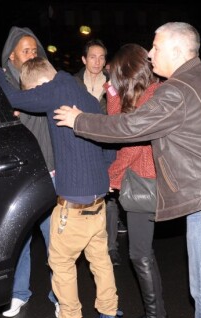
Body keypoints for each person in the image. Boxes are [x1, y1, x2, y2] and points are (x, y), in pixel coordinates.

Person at [54, 22, 201, 318]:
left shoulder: (178, 90)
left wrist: (79, 121)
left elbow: (132, 127)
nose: (150, 54)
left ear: (177, 51)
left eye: (157, 47)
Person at [0, 57, 121, 318]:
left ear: (39, 84)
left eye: (33, 92)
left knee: (60, 263)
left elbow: (12, 97)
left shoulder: (55, 88)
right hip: (99, 200)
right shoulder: (84, 94)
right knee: (100, 261)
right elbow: (107, 143)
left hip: (74, 203)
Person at [104, 43, 167, 318]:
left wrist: (112, 176)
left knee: (139, 254)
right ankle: (154, 315)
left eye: (118, 77)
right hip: (141, 178)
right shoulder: (144, 93)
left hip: (145, 180)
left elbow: (130, 142)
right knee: (144, 254)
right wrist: (114, 95)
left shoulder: (153, 95)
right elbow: (119, 126)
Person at [0, 26, 58, 318]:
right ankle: (19, 293)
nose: (32, 54)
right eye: (26, 50)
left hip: (49, 171)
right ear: (11, 56)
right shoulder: (2, 87)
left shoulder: (48, 82)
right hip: (20, 176)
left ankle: (60, 294)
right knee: (19, 237)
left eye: (35, 50)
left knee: (55, 240)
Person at [74, 38, 125, 266]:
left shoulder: (115, 85)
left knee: (110, 197)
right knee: (85, 196)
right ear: (84, 59)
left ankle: (111, 248)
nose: (97, 61)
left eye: (102, 57)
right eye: (93, 56)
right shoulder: (73, 84)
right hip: (82, 146)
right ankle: (87, 246)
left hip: (108, 146)